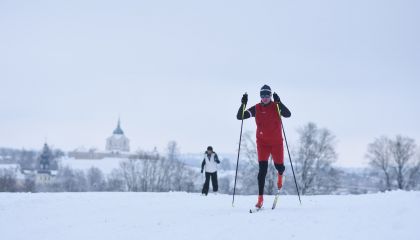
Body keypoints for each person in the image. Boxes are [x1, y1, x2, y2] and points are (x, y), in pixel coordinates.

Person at [236, 84, 291, 208]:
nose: (265, 98)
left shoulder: (276, 106)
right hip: (262, 144)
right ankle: (260, 199)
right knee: (262, 171)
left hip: (276, 143)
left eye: (267, 95)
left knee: (279, 167)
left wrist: (279, 102)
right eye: (262, 95)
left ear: (270, 96)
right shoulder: (257, 108)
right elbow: (240, 116)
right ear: (260, 96)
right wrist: (243, 103)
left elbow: (288, 114)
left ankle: (280, 177)